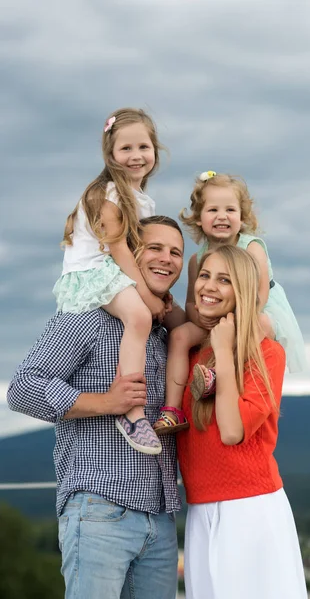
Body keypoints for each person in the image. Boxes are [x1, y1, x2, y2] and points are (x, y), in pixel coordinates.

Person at [7, 216, 186, 599]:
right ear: (130, 253)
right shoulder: (87, 315)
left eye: (176, 252)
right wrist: (108, 402)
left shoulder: (163, 332)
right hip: (100, 510)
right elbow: (23, 388)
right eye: (155, 248)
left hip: (162, 518)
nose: (167, 259)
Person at [177, 244, 308, 599]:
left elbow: (233, 431)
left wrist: (223, 350)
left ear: (244, 291)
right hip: (199, 509)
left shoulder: (267, 353)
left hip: (250, 509)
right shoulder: (187, 351)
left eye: (224, 280)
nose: (209, 286)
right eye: (205, 276)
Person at [53, 107, 186, 455]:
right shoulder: (107, 194)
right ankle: (132, 412)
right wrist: (147, 297)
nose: (135, 156)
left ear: (155, 150)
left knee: (177, 319)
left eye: (143, 147)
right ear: (110, 154)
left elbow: (137, 255)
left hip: (117, 270)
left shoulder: (142, 198)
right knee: (140, 317)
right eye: (125, 149)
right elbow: (121, 254)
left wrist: (162, 296)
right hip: (93, 271)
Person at [154, 170, 306, 434]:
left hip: (254, 311)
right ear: (199, 219)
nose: (222, 216)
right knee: (179, 336)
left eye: (230, 210)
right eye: (212, 209)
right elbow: (192, 303)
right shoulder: (196, 259)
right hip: (213, 315)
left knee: (258, 326)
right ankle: (172, 409)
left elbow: (259, 296)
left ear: (242, 217)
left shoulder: (251, 247)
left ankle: (221, 377)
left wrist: (232, 322)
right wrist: (201, 318)